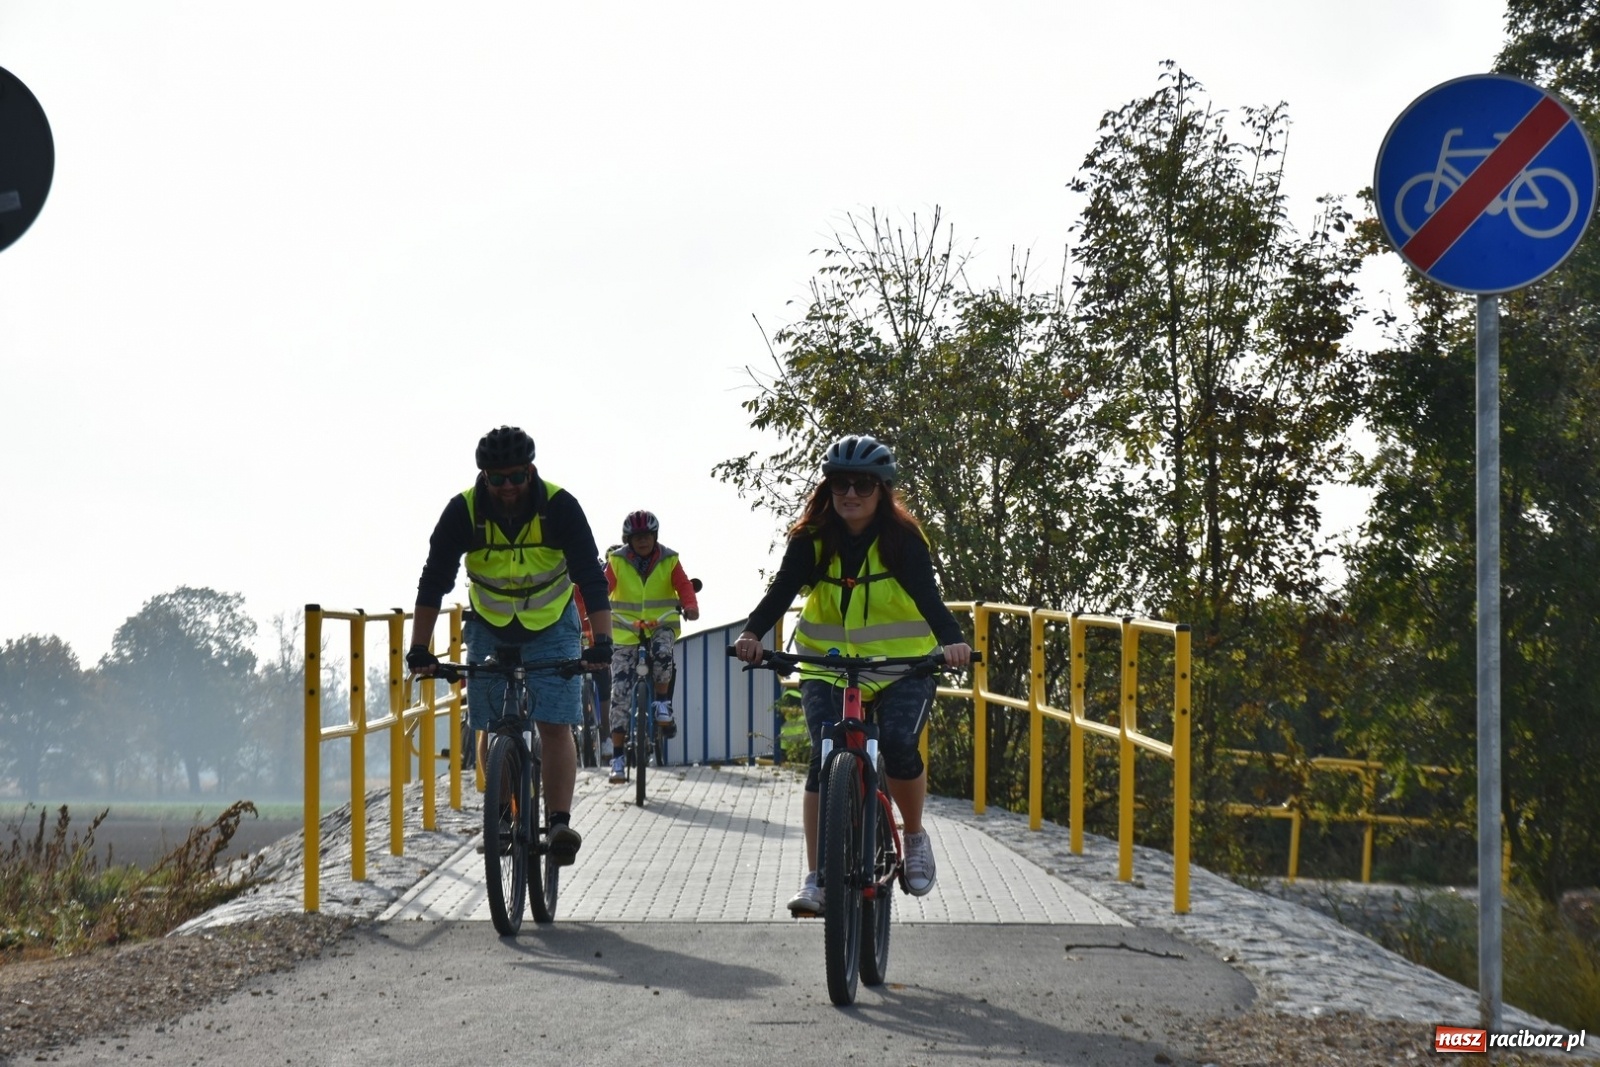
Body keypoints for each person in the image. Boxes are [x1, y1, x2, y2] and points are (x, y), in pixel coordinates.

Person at [732, 434, 971, 915]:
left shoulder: (903, 539)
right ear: (828, 488)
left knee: (900, 742)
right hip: (830, 665)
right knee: (825, 751)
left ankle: (915, 835)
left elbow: (928, 597)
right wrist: (753, 634)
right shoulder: (811, 539)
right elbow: (781, 592)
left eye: (863, 485)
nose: (851, 494)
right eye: (840, 483)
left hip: (903, 666)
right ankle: (818, 877)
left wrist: (952, 641)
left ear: (882, 490)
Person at [406, 425, 612, 867]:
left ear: (531, 471)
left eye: (515, 478)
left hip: (552, 623)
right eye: (495, 479)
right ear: (483, 477)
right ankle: (499, 816)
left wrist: (602, 641)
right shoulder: (463, 511)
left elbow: (591, 578)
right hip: (490, 622)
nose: (506, 488)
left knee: (554, 724)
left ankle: (558, 822)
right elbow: (434, 580)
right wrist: (419, 648)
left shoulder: (560, 506)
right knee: (492, 722)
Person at [605, 509, 699, 784]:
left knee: (662, 655)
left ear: (655, 536)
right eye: (637, 537)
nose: (643, 541)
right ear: (628, 540)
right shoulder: (617, 561)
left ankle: (661, 704)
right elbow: (602, 587)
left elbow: (683, 586)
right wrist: (588, 608)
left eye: (647, 536)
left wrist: (691, 607)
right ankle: (618, 758)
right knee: (620, 690)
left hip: (660, 625)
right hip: (625, 630)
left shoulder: (670, 559)